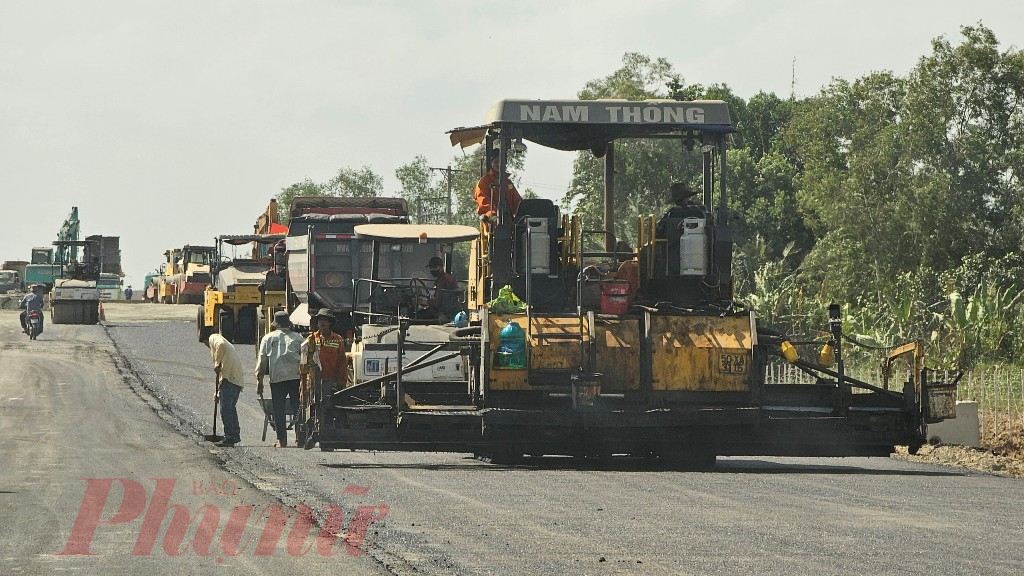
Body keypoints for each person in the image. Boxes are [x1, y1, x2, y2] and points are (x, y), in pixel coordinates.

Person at [256, 311, 303, 448]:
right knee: (298, 408)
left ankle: (282, 440)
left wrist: (259, 381)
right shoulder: (298, 338)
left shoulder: (268, 338)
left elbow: (262, 362)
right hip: (295, 378)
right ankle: (300, 438)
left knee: (279, 410)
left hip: (277, 379)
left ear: (275, 324)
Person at [200, 327, 244, 447]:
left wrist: (216, 363)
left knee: (225, 409)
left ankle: (229, 437)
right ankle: (234, 434)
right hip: (235, 378)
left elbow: (221, 347)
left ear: (205, 340)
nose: (208, 347)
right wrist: (218, 391)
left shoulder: (215, 340)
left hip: (229, 379)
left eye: (205, 344)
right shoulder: (224, 342)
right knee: (230, 408)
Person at [473, 150, 523, 220]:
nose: (499, 164)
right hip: (491, 225)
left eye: (501, 162)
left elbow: (517, 202)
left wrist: (524, 211)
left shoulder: (508, 183)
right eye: (496, 162)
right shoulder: (484, 182)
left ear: (505, 164)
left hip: (509, 224)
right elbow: (484, 204)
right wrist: (494, 216)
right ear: (491, 163)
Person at [417, 256, 460, 320]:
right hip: (449, 310)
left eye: (433, 268)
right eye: (430, 268)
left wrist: (422, 301)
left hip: (441, 312)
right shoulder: (448, 277)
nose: (431, 270)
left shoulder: (442, 280)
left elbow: (437, 303)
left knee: (415, 315)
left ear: (440, 267)